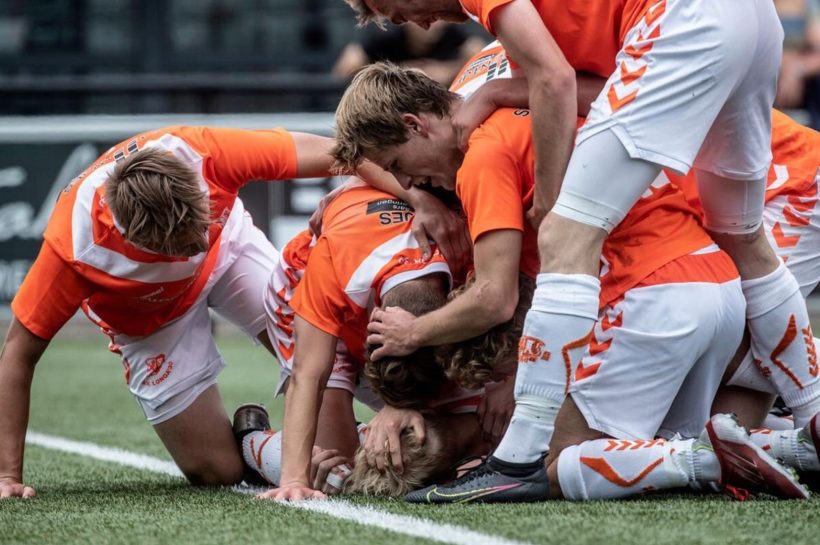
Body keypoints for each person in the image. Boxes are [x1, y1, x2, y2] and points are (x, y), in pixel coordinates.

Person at [344, 0, 816, 503]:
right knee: (743, 244)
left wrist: (548, 205)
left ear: (417, 125)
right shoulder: (485, 83)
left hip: (734, 211)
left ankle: (516, 460)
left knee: (564, 241)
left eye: (384, 6)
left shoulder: (483, 142)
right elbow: (588, 88)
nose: (399, 23)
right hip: (748, 28)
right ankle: (807, 429)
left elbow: (554, 81)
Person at [0, 126, 464, 499]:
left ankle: (379, 420)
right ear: (134, 237)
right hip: (149, 321)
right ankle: (255, 441)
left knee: (334, 348)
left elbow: (343, 151)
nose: (197, 244)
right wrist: (8, 476)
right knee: (215, 471)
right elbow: (17, 356)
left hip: (232, 254)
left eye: (201, 222)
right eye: (183, 244)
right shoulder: (73, 248)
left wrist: (418, 198)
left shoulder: (204, 152)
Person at [253, 179, 483, 500]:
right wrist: (293, 479)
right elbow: (309, 374)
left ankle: (381, 435)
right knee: (334, 469)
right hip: (306, 293)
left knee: (488, 428)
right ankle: (254, 442)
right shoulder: (332, 263)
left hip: (409, 307)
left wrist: (504, 390)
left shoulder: (469, 256)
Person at [333, 21, 486, 85]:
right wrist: (397, 72)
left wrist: (449, 71)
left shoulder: (453, 34)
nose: (430, 23)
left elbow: (483, 56)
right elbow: (344, 69)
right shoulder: (386, 35)